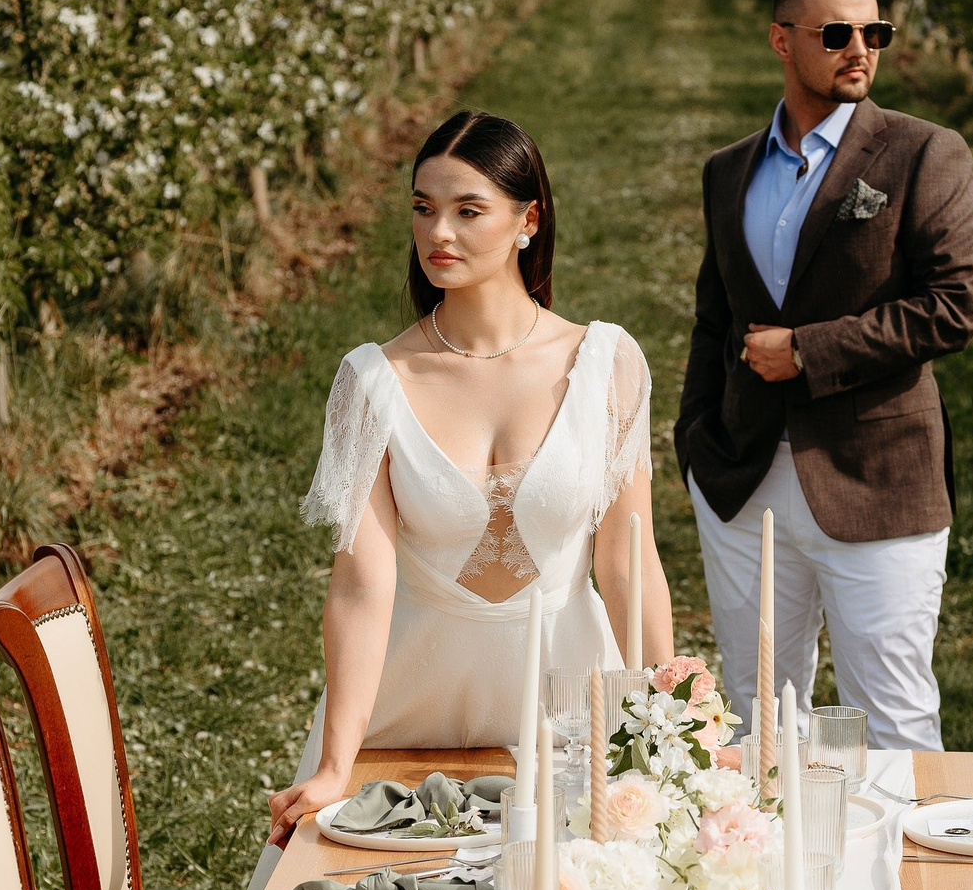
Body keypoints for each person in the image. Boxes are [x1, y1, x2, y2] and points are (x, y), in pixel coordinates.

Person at [270, 111, 672, 842]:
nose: (438, 233)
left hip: (571, 709)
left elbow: (626, 561)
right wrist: (335, 763)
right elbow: (362, 585)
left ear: (528, 219)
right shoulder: (373, 380)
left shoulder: (608, 363)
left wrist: (664, 721)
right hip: (411, 714)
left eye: (467, 210)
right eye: (423, 208)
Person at [675, 0, 973, 751]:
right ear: (782, 41)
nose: (862, 48)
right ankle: (772, 877)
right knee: (755, 718)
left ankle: (903, 878)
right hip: (742, 480)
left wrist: (809, 352)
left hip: (877, 480)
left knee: (891, 716)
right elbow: (715, 320)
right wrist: (696, 440)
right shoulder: (727, 172)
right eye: (838, 32)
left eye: (874, 31)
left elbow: (955, 306)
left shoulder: (925, 154)